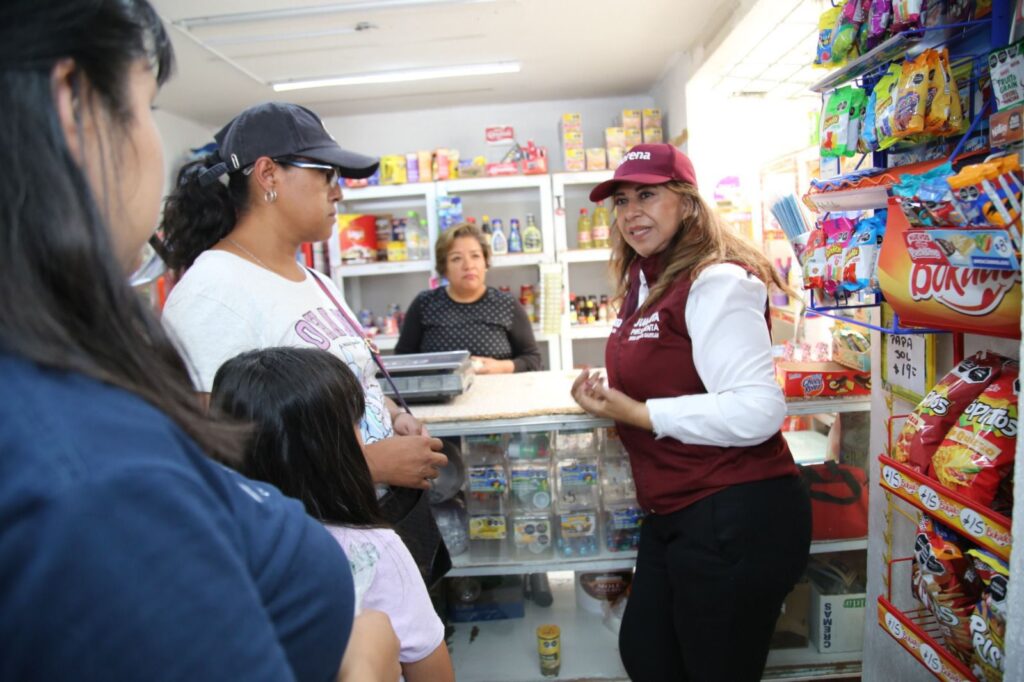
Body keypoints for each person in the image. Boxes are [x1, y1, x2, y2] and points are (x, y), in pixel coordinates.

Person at [0, 2, 400, 681]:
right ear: (76, 106)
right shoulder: (86, 469)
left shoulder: (67, 374)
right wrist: (363, 657)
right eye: (147, 109)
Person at [570, 143, 811, 681]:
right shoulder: (646, 279)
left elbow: (757, 411)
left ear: (686, 202)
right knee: (648, 656)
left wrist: (641, 413)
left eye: (648, 195)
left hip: (736, 511)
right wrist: (609, 396)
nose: (632, 212)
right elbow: (676, 372)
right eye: (623, 200)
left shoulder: (717, 280)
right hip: (676, 510)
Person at [158, 102, 448, 496]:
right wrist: (370, 465)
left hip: (375, 523)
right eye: (326, 174)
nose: (339, 192)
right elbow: (214, 453)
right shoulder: (212, 291)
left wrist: (393, 417)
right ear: (268, 174)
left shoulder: (314, 281)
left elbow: (353, 385)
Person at [212, 347, 455, 682]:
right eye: (357, 424)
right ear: (330, 449)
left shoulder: (218, 549)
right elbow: (432, 671)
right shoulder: (374, 549)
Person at [395, 222, 542, 373]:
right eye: (456, 258)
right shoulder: (424, 304)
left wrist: (501, 367)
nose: (468, 265)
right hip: (437, 394)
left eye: (475, 256)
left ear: (485, 263)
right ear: (444, 268)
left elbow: (533, 359)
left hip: (496, 393)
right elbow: (401, 360)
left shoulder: (506, 305)